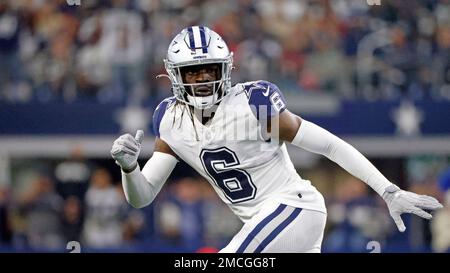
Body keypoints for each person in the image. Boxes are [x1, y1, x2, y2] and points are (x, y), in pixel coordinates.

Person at [110, 26, 443, 253]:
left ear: (224, 69)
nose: (202, 80)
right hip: (267, 227)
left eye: (209, 70)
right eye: (193, 72)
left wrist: (387, 189)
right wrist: (129, 168)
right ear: (174, 75)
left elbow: (328, 144)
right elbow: (142, 197)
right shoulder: (171, 120)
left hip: (296, 208)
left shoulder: (253, 106)